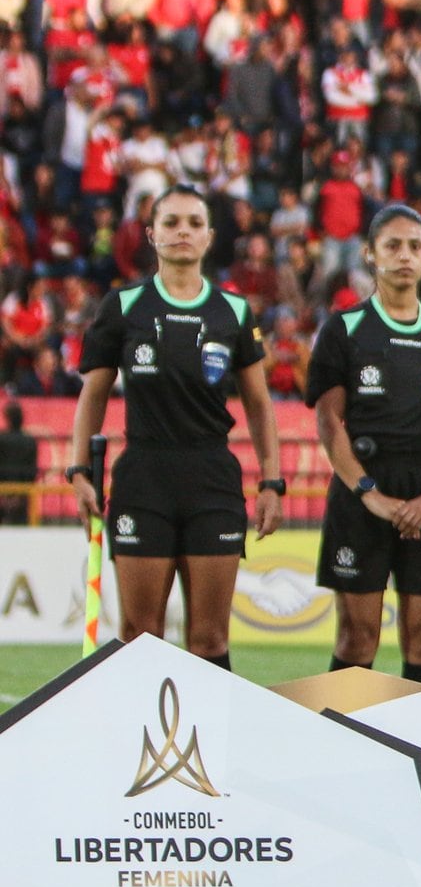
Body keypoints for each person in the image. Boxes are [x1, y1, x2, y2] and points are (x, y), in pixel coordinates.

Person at [69, 185, 284, 671]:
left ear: (209, 237)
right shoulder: (123, 307)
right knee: (140, 635)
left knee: (209, 640)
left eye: (193, 222)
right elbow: (93, 395)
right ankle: (135, 747)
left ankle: (209, 748)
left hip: (212, 479)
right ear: (151, 235)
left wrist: (272, 481)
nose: (182, 231)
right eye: (170, 222)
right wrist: (78, 470)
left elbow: (258, 403)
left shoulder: (233, 311)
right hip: (144, 478)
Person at [307, 206, 421, 685]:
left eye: (415, 247)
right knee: (357, 638)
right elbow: (329, 422)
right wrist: (370, 496)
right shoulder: (344, 329)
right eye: (393, 246)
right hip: (361, 497)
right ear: (370, 254)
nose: (404, 256)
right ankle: (342, 748)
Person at [0, 401, 39, 524]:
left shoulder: (2, 439)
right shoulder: (30, 441)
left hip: (3, 494)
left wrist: (4, 497)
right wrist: (19, 497)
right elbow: (32, 471)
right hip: (23, 496)